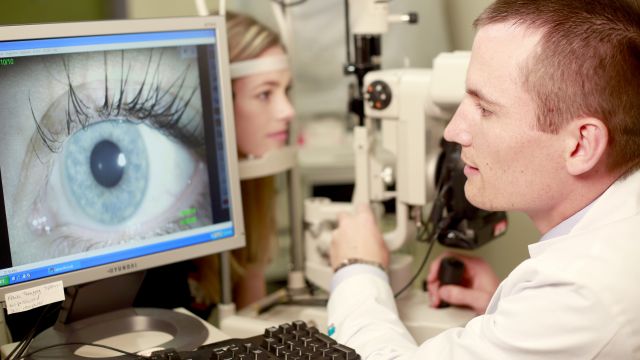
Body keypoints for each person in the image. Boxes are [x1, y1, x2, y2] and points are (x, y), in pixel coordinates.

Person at [328, 0, 640, 358]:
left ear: (581, 145)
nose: (452, 131)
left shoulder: (582, 295)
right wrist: (509, 311)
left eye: (485, 109)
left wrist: (357, 270)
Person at [191, 11, 295, 310]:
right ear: (216, 98)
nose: (288, 111)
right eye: (265, 94)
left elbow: (251, 307)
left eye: (286, 91)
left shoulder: (255, 182)